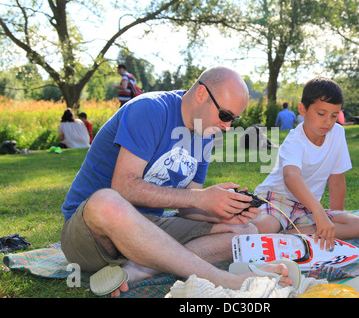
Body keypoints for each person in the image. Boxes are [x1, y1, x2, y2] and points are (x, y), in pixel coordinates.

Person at [60, 66, 293, 297]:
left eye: (234, 119)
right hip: (91, 233)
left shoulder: (205, 134)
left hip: (147, 227)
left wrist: (221, 208)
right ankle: (225, 280)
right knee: (106, 200)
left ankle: (139, 268)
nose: (227, 126)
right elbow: (124, 187)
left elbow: (188, 208)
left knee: (244, 230)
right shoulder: (149, 109)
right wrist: (200, 197)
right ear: (202, 94)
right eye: (225, 115)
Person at [252, 77, 359, 252]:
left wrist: (330, 221)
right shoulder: (294, 140)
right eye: (321, 114)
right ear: (302, 109)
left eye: (334, 116)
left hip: (307, 208)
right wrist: (319, 212)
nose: (328, 122)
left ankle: (286, 236)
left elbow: (337, 181)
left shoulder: (337, 134)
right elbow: (291, 176)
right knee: (262, 228)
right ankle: (281, 234)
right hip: (278, 200)